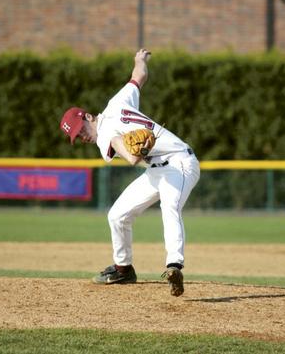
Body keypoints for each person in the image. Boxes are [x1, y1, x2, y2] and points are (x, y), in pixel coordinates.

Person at [60, 48, 200, 297]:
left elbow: (120, 145)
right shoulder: (117, 102)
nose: (81, 137)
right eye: (76, 137)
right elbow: (138, 77)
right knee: (117, 215)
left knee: (170, 207)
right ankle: (123, 269)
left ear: (89, 117)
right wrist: (139, 60)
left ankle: (174, 265)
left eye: (80, 130)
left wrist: (133, 155)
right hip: (157, 171)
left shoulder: (103, 135)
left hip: (180, 163)